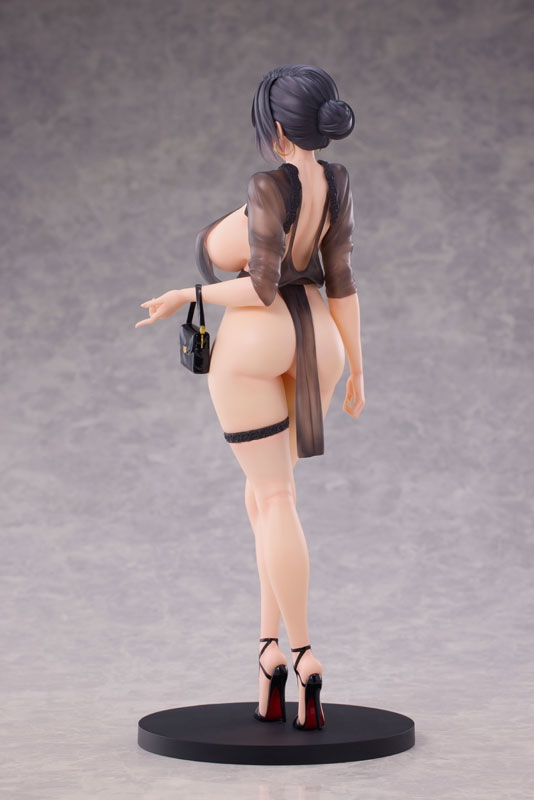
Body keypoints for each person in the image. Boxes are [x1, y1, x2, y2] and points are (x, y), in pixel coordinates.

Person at [136, 65, 365, 731]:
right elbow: (343, 280)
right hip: (321, 338)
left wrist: (188, 294)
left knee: (274, 498)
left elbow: (261, 287)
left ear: (280, 128)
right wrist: (358, 369)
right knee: (268, 499)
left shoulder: (268, 186)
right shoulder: (337, 182)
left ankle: (304, 655)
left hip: (259, 343)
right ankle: (268, 653)